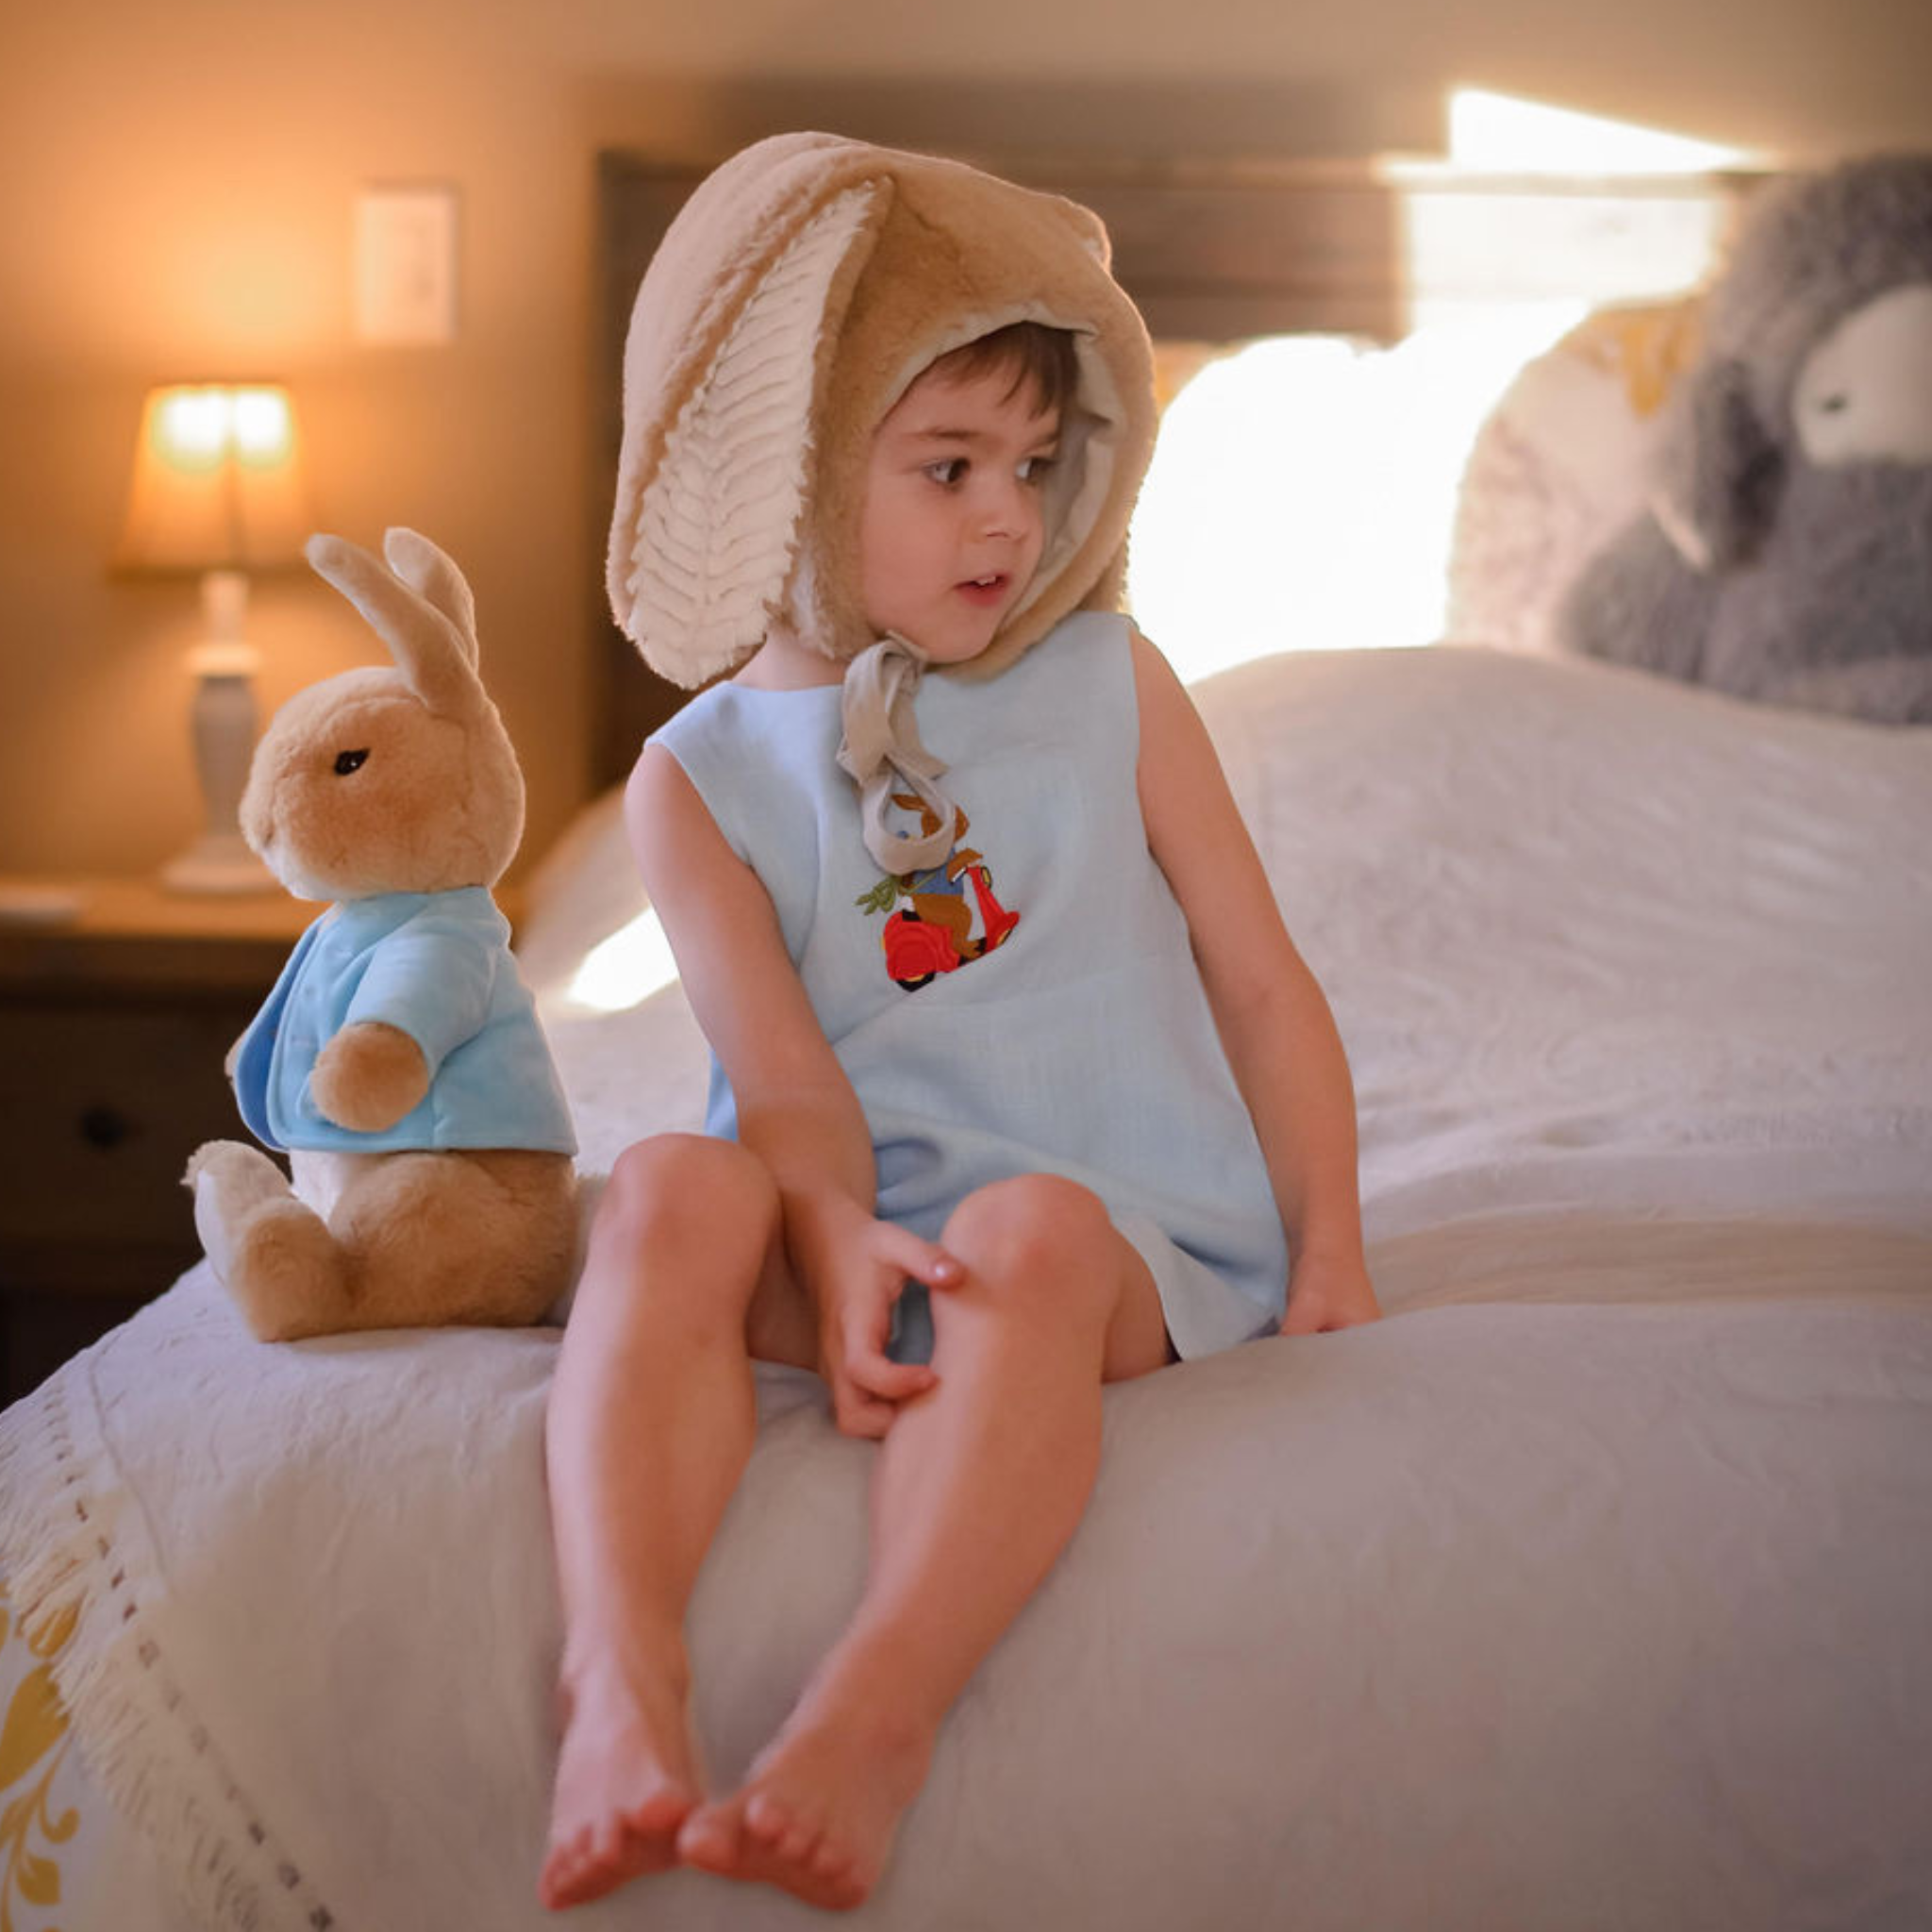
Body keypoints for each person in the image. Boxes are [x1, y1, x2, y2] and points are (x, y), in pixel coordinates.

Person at [539, 132, 1379, 1916]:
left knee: (1024, 1237)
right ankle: (619, 1694)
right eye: (947, 467)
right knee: (670, 1188)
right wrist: (831, 1236)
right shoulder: (694, 779)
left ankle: (874, 1713)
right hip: (843, 1209)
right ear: (785, 468)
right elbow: (782, 1079)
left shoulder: (1108, 681)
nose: (1009, 514)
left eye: (1034, 463)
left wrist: (1333, 1252)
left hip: (1116, 1230)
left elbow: (1256, 976)